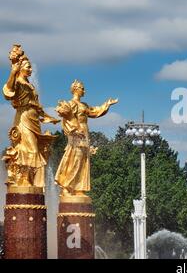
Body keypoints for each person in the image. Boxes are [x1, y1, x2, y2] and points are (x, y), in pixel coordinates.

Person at [2, 44, 59, 188]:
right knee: (29, 150)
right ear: (20, 68)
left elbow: (37, 106)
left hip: (34, 120)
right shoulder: (18, 83)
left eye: (30, 67)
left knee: (35, 149)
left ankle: (30, 180)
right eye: (28, 67)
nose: (31, 69)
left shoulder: (30, 85)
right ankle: (24, 180)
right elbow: (8, 91)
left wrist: (48, 117)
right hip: (24, 119)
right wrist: (13, 73)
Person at [54, 79, 118, 197]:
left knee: (83, 159)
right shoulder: (71, 104)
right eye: (82, 88)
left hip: (84, 131)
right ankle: (66, 186)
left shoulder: (84, 105)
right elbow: (66, 119)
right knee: (75, 158)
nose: (84, 90)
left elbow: (94, 112)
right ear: (76, 89)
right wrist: (74, 130)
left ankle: (78, 188)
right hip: (76, 133)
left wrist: (107, 104)